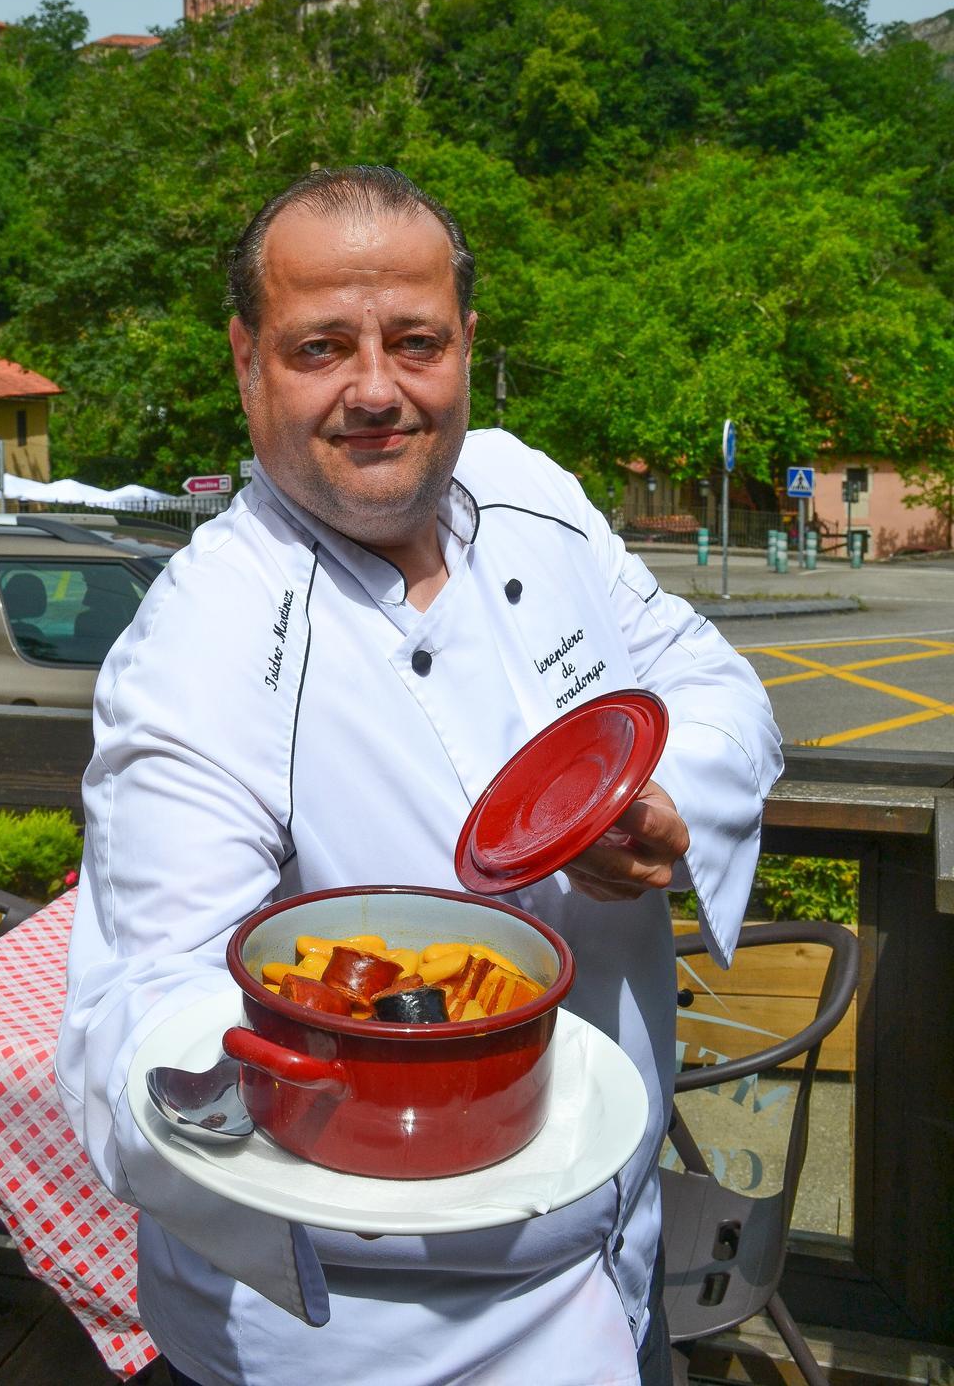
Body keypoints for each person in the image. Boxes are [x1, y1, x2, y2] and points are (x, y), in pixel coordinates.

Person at [56, 165, 782, 1386]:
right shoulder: (203, 646)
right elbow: (147, 1018)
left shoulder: (531, 492)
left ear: (468, 346)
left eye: (417, 342)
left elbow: (716, 696)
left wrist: (658, 809)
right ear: (246, 360)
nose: (377, 391)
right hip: (367, 1334)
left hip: (620, 1258)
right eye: (321, 347)